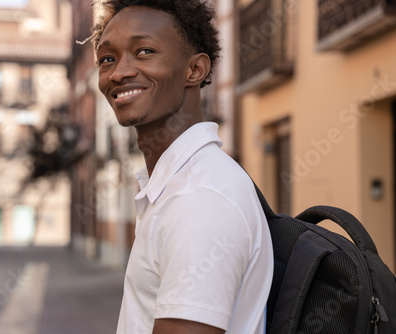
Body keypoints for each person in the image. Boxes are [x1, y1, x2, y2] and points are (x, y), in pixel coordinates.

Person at [90, 1, 273, 333]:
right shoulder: (180, 184)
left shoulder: (199, 198)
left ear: (195, 70)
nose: (118, 72)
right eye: (107, 59)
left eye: (144, 51)